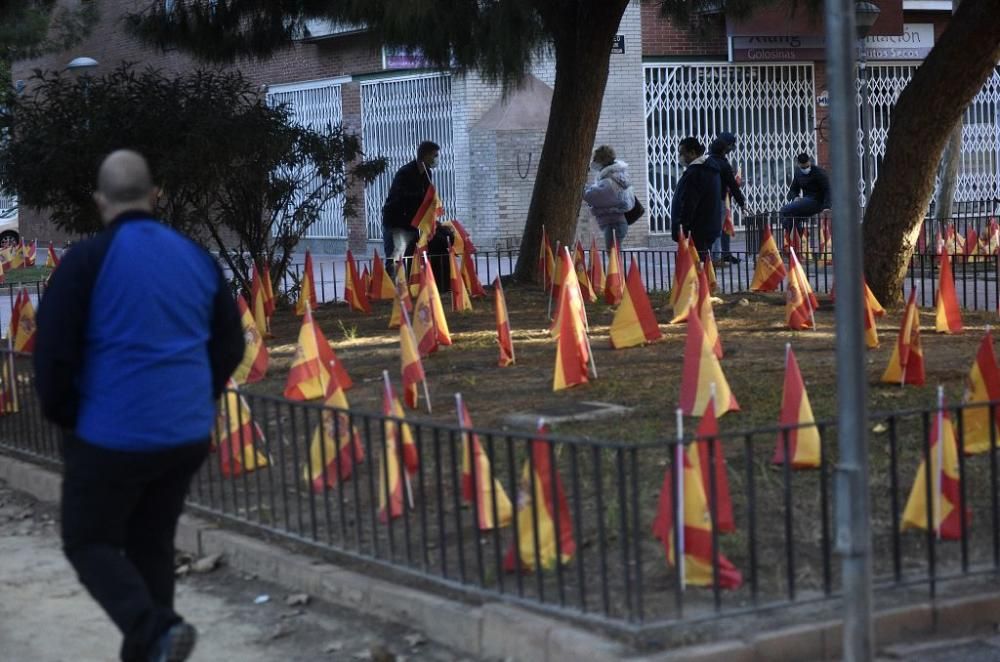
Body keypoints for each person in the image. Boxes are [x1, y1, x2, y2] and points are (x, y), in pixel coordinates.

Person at [34, 150, 245, 662]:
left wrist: (67, 418)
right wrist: (200, 396)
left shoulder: (85, 263)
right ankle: (156, 643)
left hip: (111, 435)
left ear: (99, 201)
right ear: (156, 196)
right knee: (150, 545)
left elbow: (53, 355)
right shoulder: (195, 258)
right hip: (186, 434)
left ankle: (155, 629)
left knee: (88, 542)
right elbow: (231, 345)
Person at [381, 140, 440, 276]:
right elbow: (400, 197)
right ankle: (389, 292)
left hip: (412, 224)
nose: (436, 159)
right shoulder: (405, 173)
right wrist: (422, 197)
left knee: (409, 261)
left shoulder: (427, 174)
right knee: (395, 260)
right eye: (434, 155)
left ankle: (406, 293)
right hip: (396, 223)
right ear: (425, 156)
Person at [671, 137, 722, 257]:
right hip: (706, 228)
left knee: (695, 268)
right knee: (703, 266)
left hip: (695, 232)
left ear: (693, 153)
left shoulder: (695, 173)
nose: (680, 157)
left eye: (682, 153)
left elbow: (689, 203)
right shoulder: (710, 169)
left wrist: (683, 228)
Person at [583, 145, 636, 251]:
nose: (593, 162)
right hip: (616, 222)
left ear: (602, 160)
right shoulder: (617, 175)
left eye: (595, 159)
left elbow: (594, 196)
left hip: (613, 224)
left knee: (613, 256)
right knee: (614, 254)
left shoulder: (609, 180)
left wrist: (582, 189)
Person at [706, 132, 746, 265]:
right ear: (724, 148)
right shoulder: (723, 164)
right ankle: (716, 258)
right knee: (718, 228)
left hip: (707, 200)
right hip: (720, 199)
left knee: (710, 227)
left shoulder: (707, 160)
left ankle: (713, 255)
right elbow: (733, 185)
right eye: (730, 146)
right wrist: (742, 202)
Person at [780, 153, 831, 234]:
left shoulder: (819, 172)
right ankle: (799, 239)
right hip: (807, 200)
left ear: (809, 162)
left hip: (817, 201)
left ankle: (789, 238)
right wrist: (795, 197)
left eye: (807, 166)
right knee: (794, 216)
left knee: (784, 210)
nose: (805, 169)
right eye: (803, 167)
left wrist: (827, 206)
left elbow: (828, 189)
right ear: (799, 164)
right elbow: (793, 189)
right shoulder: (798, 173)